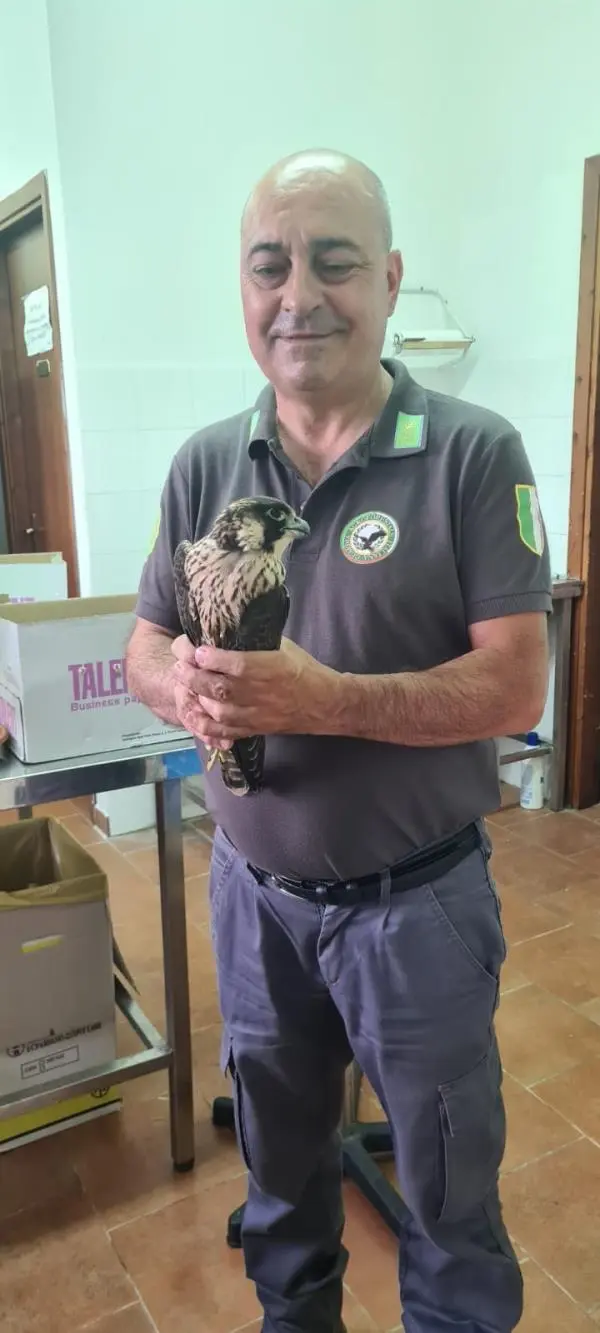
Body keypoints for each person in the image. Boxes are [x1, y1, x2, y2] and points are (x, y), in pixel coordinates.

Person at [128, 148, 551, 1333]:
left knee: (449, 1194)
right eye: (270, 265)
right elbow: (146, 644)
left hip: (418, 908)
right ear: (242, 284)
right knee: (279, 1178)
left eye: (335, 261)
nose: (297, 293)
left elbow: (518, 684)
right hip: (253, 898)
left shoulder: (475, 451)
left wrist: (325, 698)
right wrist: (186, 696)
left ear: (391, 277)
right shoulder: (205, 462)